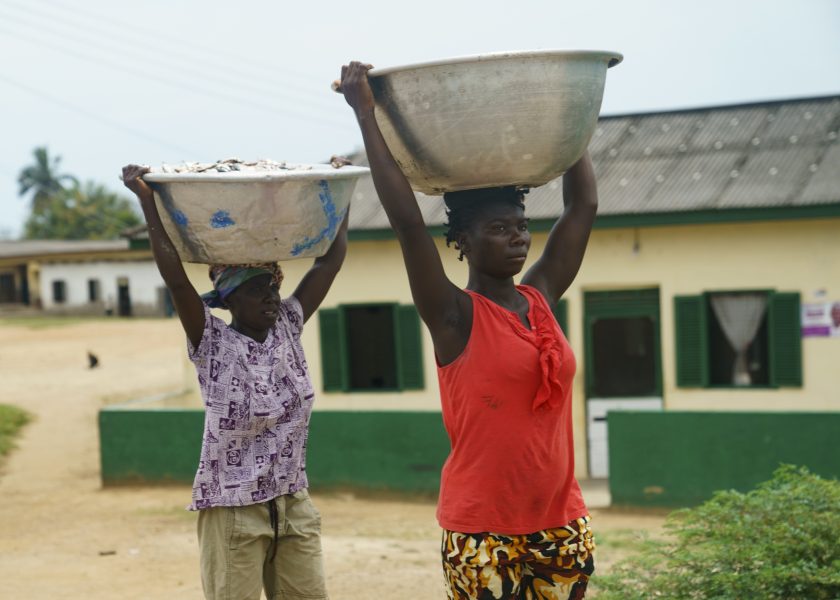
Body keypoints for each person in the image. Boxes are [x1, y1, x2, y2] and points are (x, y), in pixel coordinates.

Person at [339, 62, 598, 599]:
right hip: (482, 529)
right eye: (499, 229)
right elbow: (408, 222)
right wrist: (365, 112)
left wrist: (576, 123)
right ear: (464, 240)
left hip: (559, 520)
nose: (518, 238)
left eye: (522, 226)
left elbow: (583, 207)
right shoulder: (454, 315)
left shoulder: (541, 297)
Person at [122, 164, 348, 600]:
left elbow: (330, 262)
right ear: (229, 298)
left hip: (292, 502)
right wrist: (147, 200)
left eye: (273, 285)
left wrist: (342, 194)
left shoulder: (287, 324)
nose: (270, 295)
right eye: (256, 288)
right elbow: (175, 278)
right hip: (232, 510)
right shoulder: (211, 342)